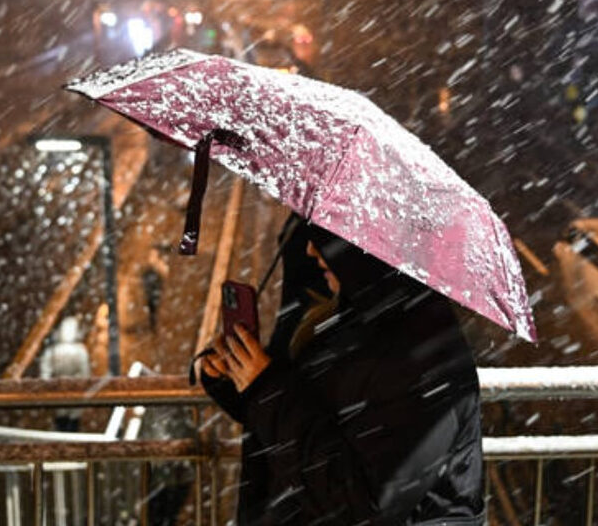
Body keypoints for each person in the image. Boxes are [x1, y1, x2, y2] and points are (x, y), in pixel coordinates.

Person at [196, 215, 485, 525]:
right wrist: (240, 380)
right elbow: (314, 414)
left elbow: (364, 505)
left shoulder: (422, 355)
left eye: (324, 240)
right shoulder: (353, 318)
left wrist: (265, 386)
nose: (310, 251)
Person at [39, 316, 91, 431]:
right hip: (65, 395)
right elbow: (85, 374)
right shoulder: (78, 351)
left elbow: (45, 373)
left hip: (68, 395)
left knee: (66, 424)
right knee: (67, 424)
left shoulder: (77, 351)